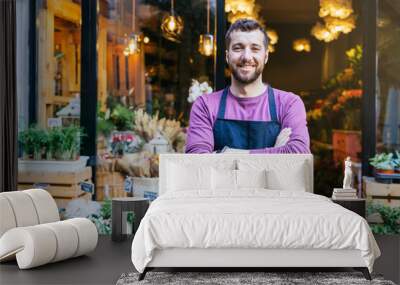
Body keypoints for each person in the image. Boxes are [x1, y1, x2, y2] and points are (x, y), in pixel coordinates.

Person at [185, 19, 310, 154]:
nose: (246, 57)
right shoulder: (205, 105)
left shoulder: (288, 103)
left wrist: (229, 154)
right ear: (227, 56)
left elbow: (298, 153)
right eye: (238, 48)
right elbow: (197, 160)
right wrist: (276, 152)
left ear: (266, 56)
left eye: (255, 49)